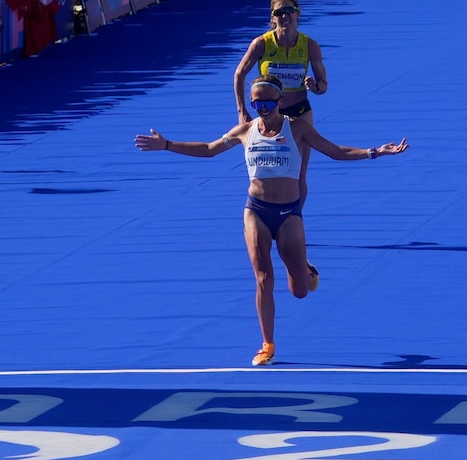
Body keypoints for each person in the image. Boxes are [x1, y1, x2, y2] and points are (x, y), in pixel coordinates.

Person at [134, 75, 407, 366]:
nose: (262, 109)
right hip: (256, 211)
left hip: (289, 213)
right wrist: (166, 145)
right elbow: (209, 149)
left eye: (267, 102)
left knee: (300, 291)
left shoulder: (297, 128)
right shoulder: (245, 130)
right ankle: (267, 344)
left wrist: (375, 152)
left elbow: (335, 151)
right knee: (263, 277)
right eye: (256, 103)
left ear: (280, 101)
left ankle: (305, 268)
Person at [232, 0, 328, 199]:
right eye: (279, 12)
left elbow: (323, 86)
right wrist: (242, 111)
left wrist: (314, 86)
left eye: (289, 11)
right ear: (272, 18)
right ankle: (267, 214)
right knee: (265, 174)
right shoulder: (262, 44)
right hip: (270, 113)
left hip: (299, 111)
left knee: (299, 173)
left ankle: (294, 220)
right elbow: (239, 74)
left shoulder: (309, 46)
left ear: (297, 14)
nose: (284, 16)